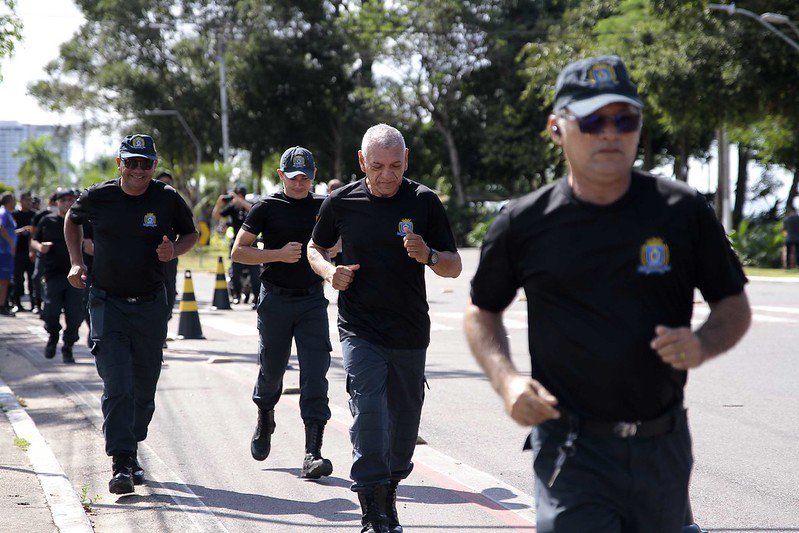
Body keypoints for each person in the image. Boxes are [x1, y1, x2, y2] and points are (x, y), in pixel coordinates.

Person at [464, 55, 752, 533]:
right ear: (558, 128)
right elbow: (481, 312)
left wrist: (702, 343)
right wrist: (508, 380)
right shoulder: (525, 223)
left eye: (625, 119)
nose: (610, 132)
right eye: (594, 120)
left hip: (662, 447)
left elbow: (733, 306)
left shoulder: (680, 211)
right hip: (571, 451)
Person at [308, 124, 462, 533]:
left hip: (410, 331)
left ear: (406, 159)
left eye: (395, 165)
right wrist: (329, 272)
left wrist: (428, 254)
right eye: (378, 166)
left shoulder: (424, 201)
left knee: (404, 426)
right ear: (362, 162)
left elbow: (454, 265)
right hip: (359, 328)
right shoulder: (341, 202)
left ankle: (389, 486)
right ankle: (372, 508)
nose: (387, 174)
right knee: (369, 413)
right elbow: (315, 247)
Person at [65, 134, 198, 495]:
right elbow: (72, 220)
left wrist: (175, 251)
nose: (139, 170)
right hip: (108, 303)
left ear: (154, 166)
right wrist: (76, 263)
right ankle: (121, 461)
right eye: (132, 162)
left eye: (146, 163)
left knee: (143, 388)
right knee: (118, 384)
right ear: (119, 163)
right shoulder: (99, 196)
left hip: (151, 304)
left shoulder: (167, 198)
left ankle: (132, 444)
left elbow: (192, 234)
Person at [231, 146, 334, 479]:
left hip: (311, 301)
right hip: (275, 300)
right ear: (281, 176)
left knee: (316, 372)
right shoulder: (266, 207)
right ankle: (265, 414)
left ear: (313, 176)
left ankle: (312, 453)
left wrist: (329, 252)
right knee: (272, 368)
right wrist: (276, 254)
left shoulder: (323, 207)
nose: (299, 183)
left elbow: (342, 240)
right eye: (293, 177)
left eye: (305, 177)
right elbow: (238, 252)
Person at [31, 189, 83, 362]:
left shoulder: (81, 221)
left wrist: (91, 245)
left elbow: (94, 240)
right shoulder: (48, 220)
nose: (68, 203)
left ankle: (68, 346)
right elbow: (33, 240)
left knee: (75, 316)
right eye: (64, 200)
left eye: (71, 200)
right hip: (53, 275)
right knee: (50, 313)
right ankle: (53, 335)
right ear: (57, 202)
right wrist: (40, 247)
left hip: (76, 278)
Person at [212, 183, 260, 307]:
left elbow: (253, 209)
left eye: (238, 195)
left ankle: (256, 299)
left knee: (255, 274)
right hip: (237, 245)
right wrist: (219, 203)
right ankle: (236, 295)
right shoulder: (233, 208)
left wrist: (240, 200)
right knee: (235, 272)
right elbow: (216, 216)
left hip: (252, 244)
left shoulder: (250, 206)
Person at [155, 170, 179, 317]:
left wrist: (176, 249)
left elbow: (189, 230)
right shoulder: (145, 200)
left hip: (169, 255)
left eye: (169, 183)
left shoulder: (175, 202)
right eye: (162, 182)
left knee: (169, 289)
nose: (166, 185)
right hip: (148, 255)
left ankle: (165, 321)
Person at [11, 191, 35, 312]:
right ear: (21, 201)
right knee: (18, 279)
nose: (29, 202)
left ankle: (34, 303)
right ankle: (17, 303)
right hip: (18, 251)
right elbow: (9, 232)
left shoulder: (34, 215)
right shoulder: (14, 215)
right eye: (26, 200)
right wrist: (21, 231)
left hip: (31, 252)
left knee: (33, 279)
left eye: (30, 200)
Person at [0, 192, 17, 316]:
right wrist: (11, 243)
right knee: (3, 280)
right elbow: (0, 226)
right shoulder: (3, 212)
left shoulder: (8, 213)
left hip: (6, 253)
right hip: (3, 252)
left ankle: (3, 303)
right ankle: (1, 306)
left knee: (5, 280)